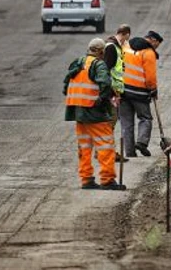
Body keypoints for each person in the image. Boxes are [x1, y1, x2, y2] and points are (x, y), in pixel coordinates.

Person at [64, 38, 125, 190]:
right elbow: (105, 83)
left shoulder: (78, 62)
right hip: (94, 113)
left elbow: (66, 84)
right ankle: (107, 180)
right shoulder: (98, 64)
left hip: (78, 112)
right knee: (105, 145)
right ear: (100, 52)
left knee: (84, 147)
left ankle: (86, 180)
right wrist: (103, 99)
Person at [120, 30, 163, 157]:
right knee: (145, 118)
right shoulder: (148, 53)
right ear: (153, 40)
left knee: (126, 122)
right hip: (139, 92)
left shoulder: (126, 47)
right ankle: (142, 142)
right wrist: (153, 89)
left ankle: (129, 152)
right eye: (157, 44)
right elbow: (150, 76)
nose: (156, 47)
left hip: (123, 90)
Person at [103, 24, 131, 163]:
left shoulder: (115, 47)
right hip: (111, 93)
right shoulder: (111, 47)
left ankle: (105, 151)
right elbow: (107, 71)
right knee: (110, 122)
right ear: (126, 34)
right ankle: (107, 152)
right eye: (127, 37)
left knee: (111, 122)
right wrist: (112, 92)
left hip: (114, 92)